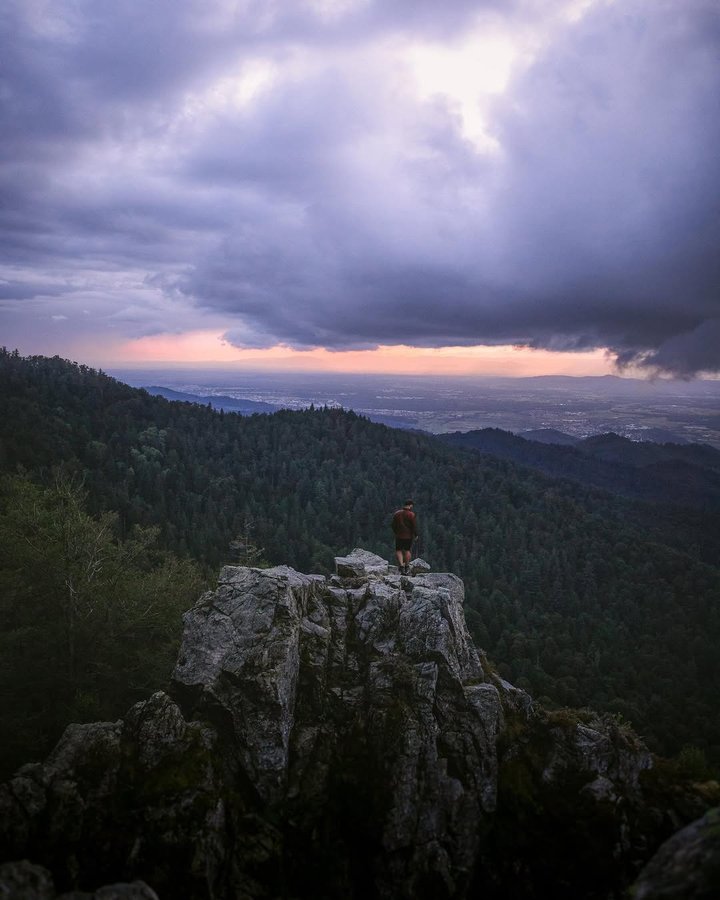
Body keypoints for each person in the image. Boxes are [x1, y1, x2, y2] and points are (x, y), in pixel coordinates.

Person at [391, 499, 418, 575]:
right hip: (408, 536)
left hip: (399, 535)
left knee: (398, 550)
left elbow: (393, 525)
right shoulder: (411, 514)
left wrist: (396, 532)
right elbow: (414, 526)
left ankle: (401, 567)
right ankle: (407, 566)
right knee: (407, 551)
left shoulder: (397, 513)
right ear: (410, 505)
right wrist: (415, 535)